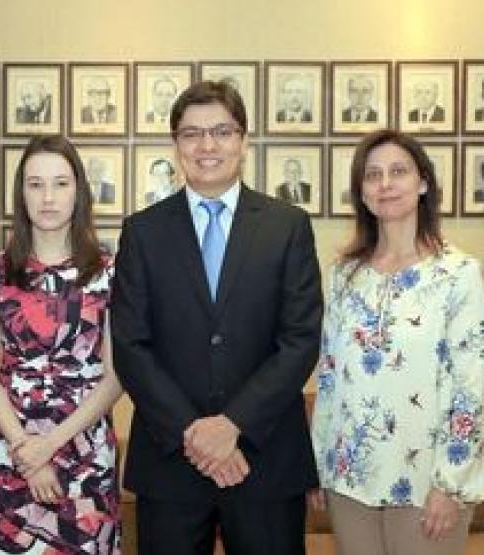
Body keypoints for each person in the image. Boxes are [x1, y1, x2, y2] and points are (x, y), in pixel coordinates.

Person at [111, 80, 323, 554]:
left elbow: (300, 340)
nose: (207, 146)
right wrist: (195, 434)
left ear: (243, 141)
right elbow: (130, 345)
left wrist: (233, 425)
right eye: (191, 134)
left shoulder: (286, 226)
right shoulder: (142, 233)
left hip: (264, 459)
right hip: (171, 464)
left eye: (221, 132)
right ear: (176, 145)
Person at [309, 129, 484, 555]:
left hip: (428, 485)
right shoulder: (343, 276)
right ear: (361, 192)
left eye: (398, 171)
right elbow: (331, 379)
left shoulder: (459, 274)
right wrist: (316, 465)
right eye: (372, 175)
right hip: (349, 479)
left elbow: (469, 389)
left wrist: (450, 484)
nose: (385, 184)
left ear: (423, 182)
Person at [0, 134, 122, 553]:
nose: (48, 197)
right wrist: (26, 448)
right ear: (21, 194)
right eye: (35, 184)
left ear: (79, 191)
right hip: (12, 451)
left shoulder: (109, 273)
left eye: (60, 183)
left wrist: (50, 446)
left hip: (85, 453)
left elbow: (115, 378)